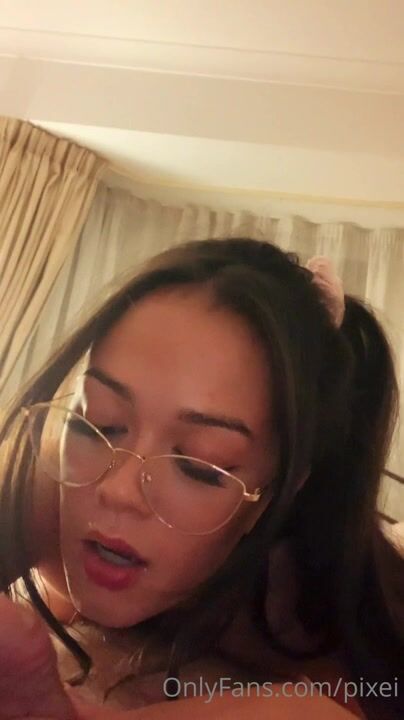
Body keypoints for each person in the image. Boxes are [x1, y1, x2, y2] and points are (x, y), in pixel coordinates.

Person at [0, 237, 403, 720]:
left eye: (199, 464)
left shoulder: (299, 604)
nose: (117, 488)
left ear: (274, 494)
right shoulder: (55, 479)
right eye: (99, 421)